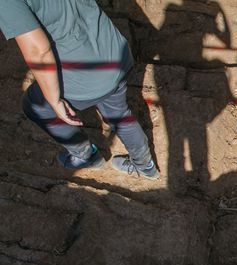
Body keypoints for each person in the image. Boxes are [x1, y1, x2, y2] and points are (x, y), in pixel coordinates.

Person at [0, 0, 159, 179]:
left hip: (84, 72)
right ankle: (145, 165)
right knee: (119, 112)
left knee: (36, 107)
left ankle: (85, 155)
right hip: (112, 49)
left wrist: (54, 99)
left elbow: (39, 51)